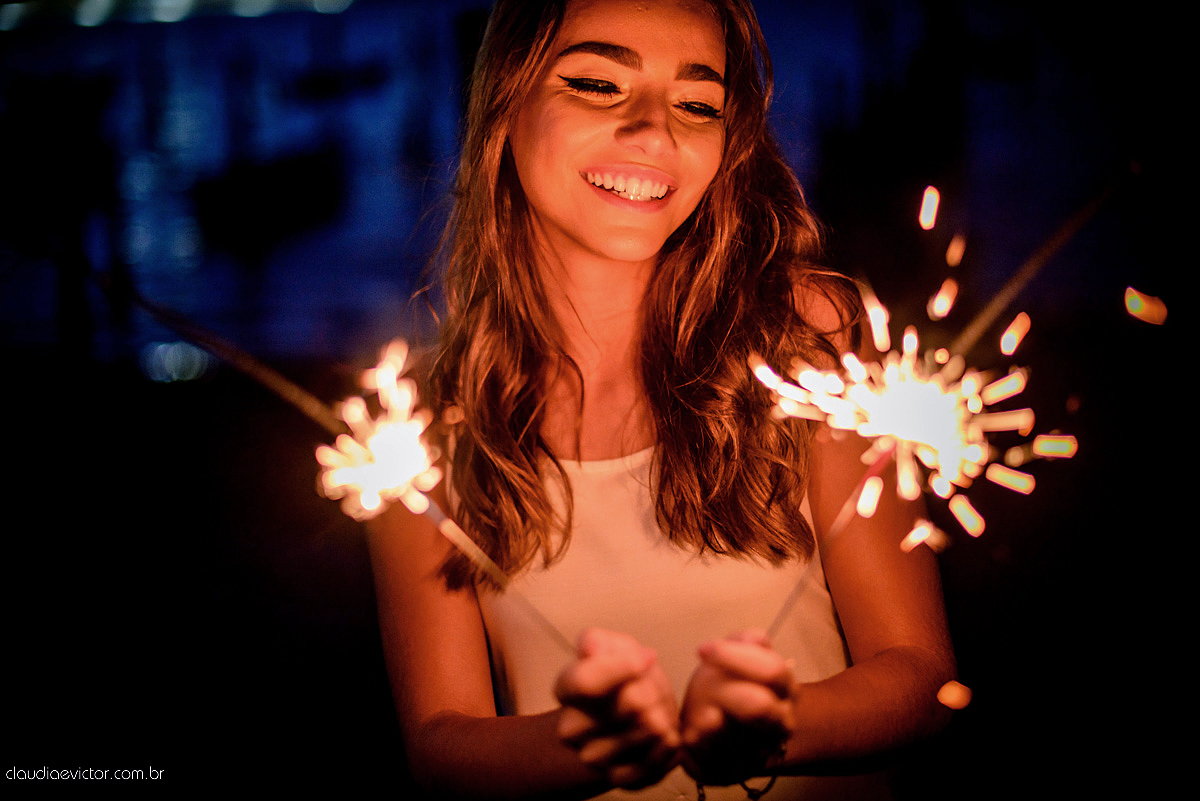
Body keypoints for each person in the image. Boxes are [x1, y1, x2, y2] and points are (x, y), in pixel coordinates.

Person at [367, 0, 956, 798]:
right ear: (506, 104)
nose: (656, 130)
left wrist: (777, 723)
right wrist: (585, 744)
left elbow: (921, 674)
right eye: (599, 84)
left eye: (698, 103)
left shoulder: (807, 335)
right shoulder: (419, 433)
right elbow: (441, 740)